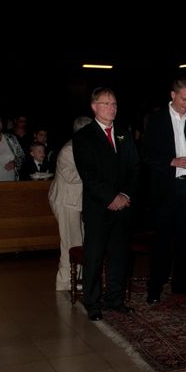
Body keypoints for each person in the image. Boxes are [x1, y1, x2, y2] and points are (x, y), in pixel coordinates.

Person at [142, 77, 186, 304]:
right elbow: (146, 154)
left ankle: (181, 283)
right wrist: (171, 161)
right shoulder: (155, 119)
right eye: (183, 99)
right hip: (166, 187)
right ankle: (155, 286)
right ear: (172, 95)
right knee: (162, 239)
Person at [73, 87, 140, 321]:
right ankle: (92, 303)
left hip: (123, 206)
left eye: (114, 104)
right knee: (94, 255)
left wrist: (125, 195)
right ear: (94, 107)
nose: (112, 108)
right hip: (99, 207)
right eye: (106, 104)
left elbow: (134, 168)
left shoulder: (124, 133)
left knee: (119, 255)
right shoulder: (84, 137)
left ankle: (115, 299)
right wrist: (111, 197)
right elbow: (88, 175)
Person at [49, 116, 92, 292]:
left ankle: (78, 277)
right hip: (65, 201)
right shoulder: (68, 150)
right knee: (69, 242)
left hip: (76, 201)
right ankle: (64, 282)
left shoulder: (83, 146)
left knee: (79, 240)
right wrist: (94, 174)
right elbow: (72, 176)